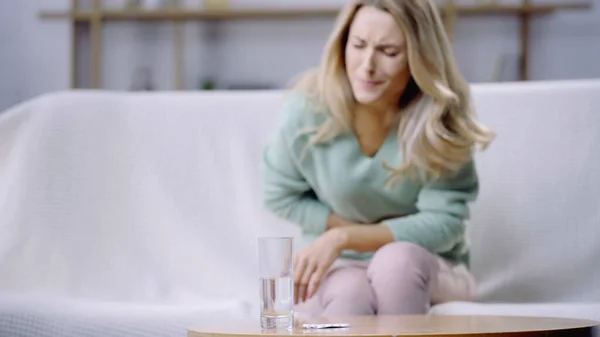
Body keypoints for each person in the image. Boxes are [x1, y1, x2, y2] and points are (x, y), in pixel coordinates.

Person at [260, 0, 494, 317]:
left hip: (431, 262)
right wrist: (341, 241)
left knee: (396, 263)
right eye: (358, 45)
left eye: (389, 52)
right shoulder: (308, 109)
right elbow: (279, 194)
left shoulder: (440, 120)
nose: (366, 65)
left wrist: (344, 236)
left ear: (419, 58)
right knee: (349, 294)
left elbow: (445, 223)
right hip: (342, 263)